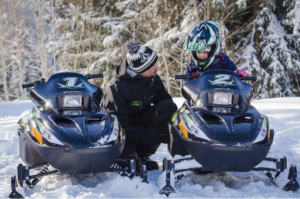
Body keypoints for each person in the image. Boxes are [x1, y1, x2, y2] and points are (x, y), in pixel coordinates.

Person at [101, 41, 177, 170]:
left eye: (155, 63)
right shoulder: (116, 88)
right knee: (129, 163)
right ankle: (129, 155)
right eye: (151, 66)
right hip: (120, 134)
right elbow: (121, 127)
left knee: (168, 107)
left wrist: (174, 130)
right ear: (138, 70)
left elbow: (166, 105)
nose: (156, 67)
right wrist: (156, 135)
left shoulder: (152, 78)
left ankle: (143, 155)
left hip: (139, 123)